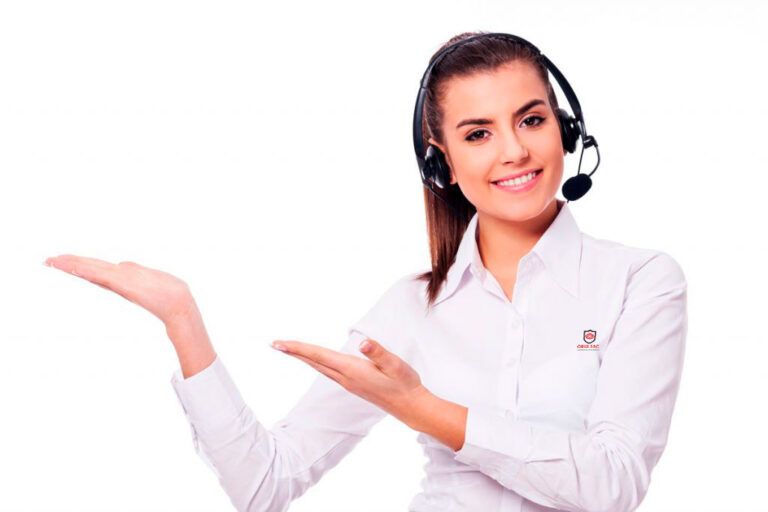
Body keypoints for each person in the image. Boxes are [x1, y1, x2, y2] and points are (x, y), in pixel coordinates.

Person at [43, 31, 688, 512]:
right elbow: (267, 483)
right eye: (477, 133)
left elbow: (612, 484)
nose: (514, 150)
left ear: (566, 129)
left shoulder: (642, 282)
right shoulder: (413, 308)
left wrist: (421, 407)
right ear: (442, 163)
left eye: (530, 120)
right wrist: (182, 319)